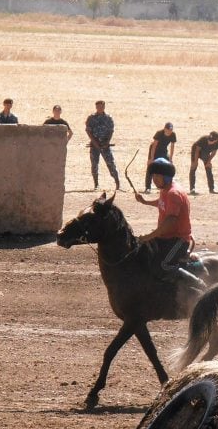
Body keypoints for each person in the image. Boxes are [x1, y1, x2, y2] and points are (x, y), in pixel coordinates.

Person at [132, 158, 202, 292]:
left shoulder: (173, 194)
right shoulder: (165, 189)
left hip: (178, 239)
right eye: (153, 176)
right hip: (165, 238)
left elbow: (171, 221)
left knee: (164, 265)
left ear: (166, 176)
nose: (154, 180)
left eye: (157, 176)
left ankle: (198, 283)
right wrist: (145, 202)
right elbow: (161, 202)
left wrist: (149, 236)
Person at [85, 100, 120, 191]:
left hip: (105, 145)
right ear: (96, 107)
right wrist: (95, 143)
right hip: (94, 145)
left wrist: (107, 142)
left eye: (101, 106)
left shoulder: (108, 118)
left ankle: (117, 184)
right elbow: (88, 131)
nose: (100, 108)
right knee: (94, 165)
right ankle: (96, 184)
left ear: (104, 107)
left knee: (111, 163)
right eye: (98, 107)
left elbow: (111, 131)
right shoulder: (91, 118)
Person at [144, 122, 177, 193]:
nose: (169, 131)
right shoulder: (159, 133)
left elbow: (172, 146)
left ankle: (168, 186)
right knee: (151, 167)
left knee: (169, 166)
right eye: (168, 129)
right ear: (165, 129)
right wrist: (151, 158)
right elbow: (154, 146)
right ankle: (148, 187)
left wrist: (171, 159)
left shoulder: (173, 134)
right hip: (154, 150)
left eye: (171, 130)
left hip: (163, 150)